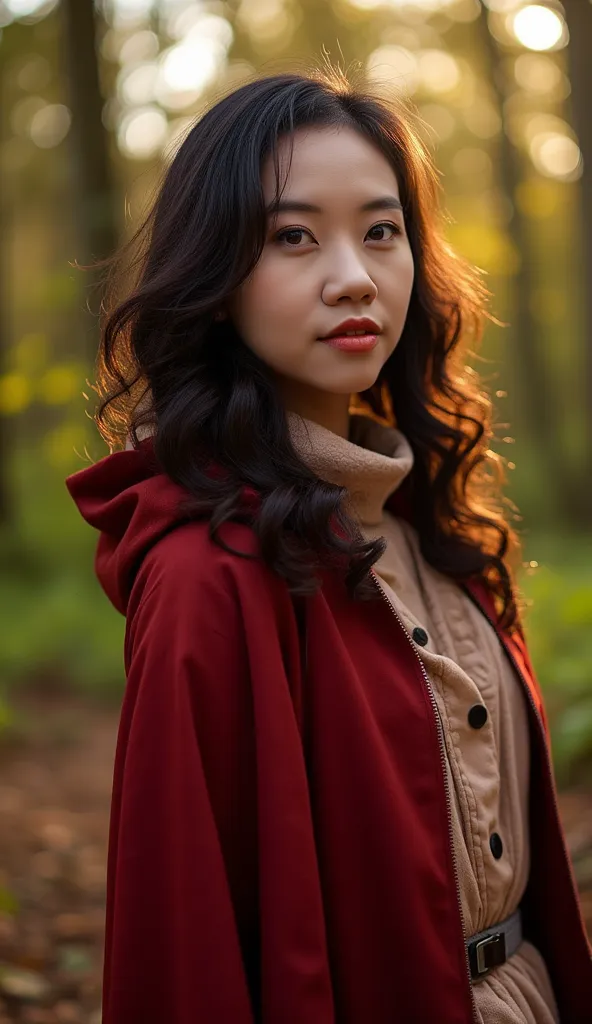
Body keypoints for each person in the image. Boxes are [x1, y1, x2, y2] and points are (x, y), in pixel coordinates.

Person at [65, 67, 592, 1024]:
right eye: (292, 235)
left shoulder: (430, 525)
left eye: (381, 231)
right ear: (218, 277)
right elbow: (183, 944)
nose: (353, 275)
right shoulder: (205, 575)